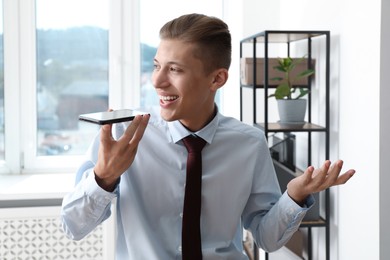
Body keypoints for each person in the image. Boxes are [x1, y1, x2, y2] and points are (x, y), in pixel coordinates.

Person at [61, 13, 355, 259]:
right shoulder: (124, 136)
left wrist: (295, 195)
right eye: (156, 66)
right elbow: (73, 227)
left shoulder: (249, 143)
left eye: (174, 69)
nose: (157, 81)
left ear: (217, 78)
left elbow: (267, 238)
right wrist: (104, 177)